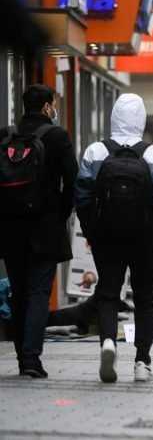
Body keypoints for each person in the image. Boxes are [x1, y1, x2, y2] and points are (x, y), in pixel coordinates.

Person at [75, 93, 153, 383]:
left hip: (107, 236)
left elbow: (82, 197)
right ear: (141, 119)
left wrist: (92, 232)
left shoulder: (95, 151)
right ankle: (142, 362)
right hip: (143, 237)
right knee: (145, 298)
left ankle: (108, 342)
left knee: (107, 293)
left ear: (113, 117)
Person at [0, 84, 77, 378]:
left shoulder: (6, 136)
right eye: (53, 104)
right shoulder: (57, 136)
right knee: (38, 292)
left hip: (10, 227)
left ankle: (23, 356)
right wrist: (62, 214)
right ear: (46, 106)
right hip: (45, 227)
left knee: (19, 291)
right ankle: (31, 358)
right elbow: (72, 181)